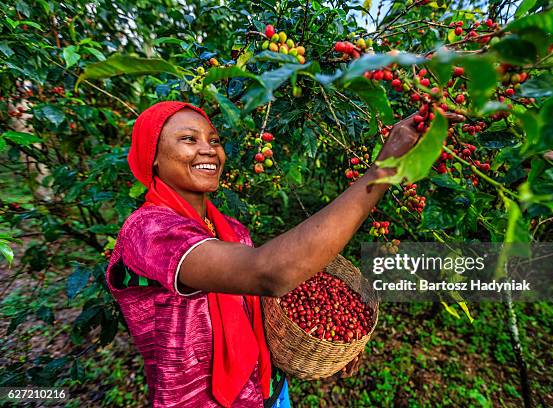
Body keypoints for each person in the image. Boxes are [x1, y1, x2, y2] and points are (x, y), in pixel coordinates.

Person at [105, 100, 463, 407]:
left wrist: (334, 340)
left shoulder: (231, 229)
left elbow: (256, 306)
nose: (209, 150)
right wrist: (384, 169)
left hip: (268, 391)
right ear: (152, 158)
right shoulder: (148, 231)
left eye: (214, 140)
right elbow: (269, 273)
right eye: (188, 139)